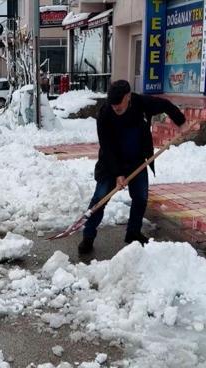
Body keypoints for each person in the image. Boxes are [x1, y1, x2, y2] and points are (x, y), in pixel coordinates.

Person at [78, 80, 187, 254]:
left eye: (118, 104)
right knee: (100, 199)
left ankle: (133, 233)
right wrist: (118, 173)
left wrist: (181, 121)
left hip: (136, 161)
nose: (115, 108)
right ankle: (88, 236)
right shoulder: (105, 113)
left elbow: (165, 104)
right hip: (110, 163)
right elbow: (106, 147)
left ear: (128, 97)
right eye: (112, 105)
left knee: (140, 198)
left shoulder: (141, 103)